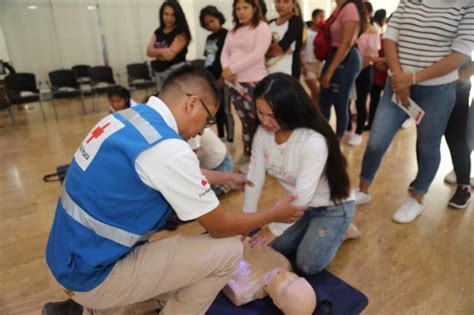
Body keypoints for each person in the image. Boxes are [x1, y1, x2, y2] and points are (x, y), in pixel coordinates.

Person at [43, 65, 305, 315]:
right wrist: (273, 214)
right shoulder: (169, 149)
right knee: (228, 251)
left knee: (192, 267)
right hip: (92, 274)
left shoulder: (125, 119)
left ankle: (89, 309)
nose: (203, 129)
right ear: (192, 103)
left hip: (69, 255)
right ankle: (97, 306)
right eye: (208, 119)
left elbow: (163, 170)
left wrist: (225, 177)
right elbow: (221, 226)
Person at [354, 0, 474, 223]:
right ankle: (362, 189)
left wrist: (413, 78)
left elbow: (461, 55)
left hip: (437, 90)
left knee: (428, 145)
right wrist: (400, 77)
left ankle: (416, 198)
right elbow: (391, 36)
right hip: (397, 83)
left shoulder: (467, 5)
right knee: (376, 141)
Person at [243, 73, 357, 276]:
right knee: (275, 247)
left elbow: (302, 195)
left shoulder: (312, 140)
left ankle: (343, 230)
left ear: (290, 111)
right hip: (302, 209)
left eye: (273, 116)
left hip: (332, 208)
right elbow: (254, 177)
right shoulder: (263, 134)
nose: (266, 122)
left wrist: (271, 230)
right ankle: (314, 231)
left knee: (307, 264)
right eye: (260, 113)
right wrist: (247, 221)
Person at [221, 0, 272, 172]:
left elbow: (257, 55)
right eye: (237, 8)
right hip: (234, 83)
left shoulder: (262, 27)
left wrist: (232, 69)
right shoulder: (233, 30)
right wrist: (226, 70)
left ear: (254, 8)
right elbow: (224, 53)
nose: (241, 12)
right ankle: (248, 152)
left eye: (245, 8)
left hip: (254, 81)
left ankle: (261, 159)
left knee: (258, 121)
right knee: (244, 120)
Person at [319, 0, 366, 141]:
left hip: (346, 58)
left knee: (341, 102)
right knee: (325, 100)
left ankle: (337, 142)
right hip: (335, 56)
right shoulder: (340, 8)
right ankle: (324, 138)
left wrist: (329, 71)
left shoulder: (350, 8)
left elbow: (346, 43)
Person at [200, 5, 235, 148]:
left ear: (219, 18)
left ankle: (231, 139)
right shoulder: (209, 38)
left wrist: (223, 77)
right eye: (206, 23)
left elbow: (230, 58)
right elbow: (208, 57)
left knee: (226, 110)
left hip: (223, 78)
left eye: (212, 21)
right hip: (211, 78)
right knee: (217, 109)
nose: (210, 25)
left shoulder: (227, 34)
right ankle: (221, 136)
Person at [347, 1, 380, 146]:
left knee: (361, 102)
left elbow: (371, 55)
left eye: (365, 11)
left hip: (364, 71)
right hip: (348, 70)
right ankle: (347, 127)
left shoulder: (372, 30)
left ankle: (359, 132)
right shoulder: (352, 26)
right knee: (346, 101)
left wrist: (356, 69)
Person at [443, 60, 473, 208]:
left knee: (458, 135)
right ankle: (420, 181)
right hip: (436, 81)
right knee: (467, 132)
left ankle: (463, 185)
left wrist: (466, 74)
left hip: (459, 82)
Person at [147, 0, 191, 91]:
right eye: (166, 14)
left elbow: (169, 56)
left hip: (175, 72)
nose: (169, 18)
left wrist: (157, 52)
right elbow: (149, 51)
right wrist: (164, 51)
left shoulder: (181, 33)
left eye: (172, 15)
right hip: (159, 71)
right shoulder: (158, 31)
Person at [188, 128, 234, 196]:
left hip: (220, 165)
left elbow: (191, 163)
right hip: (211, 165)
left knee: (203, 195)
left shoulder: (191, 133)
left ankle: (229, 184)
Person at [266, 0, 304, 78]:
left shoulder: (296, 22)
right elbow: (260, 49)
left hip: (288, 74)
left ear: (293, 4)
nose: (281, 5)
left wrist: (268, 49)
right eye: (278, 1)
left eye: (286, 2)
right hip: (268, 72)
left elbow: (280, 48)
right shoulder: (270, 23)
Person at [302, 9, 325, 108]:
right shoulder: (306, 32)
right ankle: (313, 113)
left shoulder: (324, 33)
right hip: (308, 64)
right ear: (313, 18)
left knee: (321, 93)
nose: (322, 19)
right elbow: (300, 50)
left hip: (320, 65)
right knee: (316, 90)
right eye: (320, 16)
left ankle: (316, 113)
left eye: (323, 17)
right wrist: (304, 66)